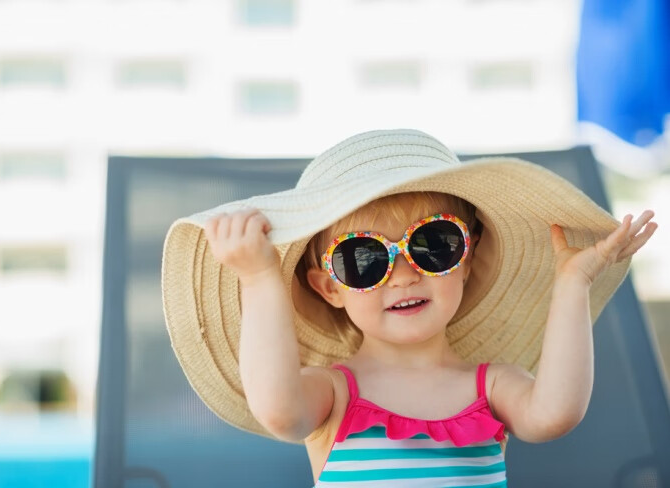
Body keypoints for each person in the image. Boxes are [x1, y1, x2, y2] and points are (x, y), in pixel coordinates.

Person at [161, 129, 657, 486]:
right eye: (364, 259)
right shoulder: (334, 393)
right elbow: (278, 411)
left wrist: (572, 282)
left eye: (432, 244)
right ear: (328, 288)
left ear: (467, 259)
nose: (403, 273)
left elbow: (555, 415)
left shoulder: (491, 386)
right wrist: (259, 277)